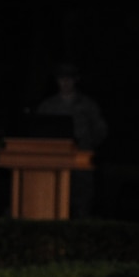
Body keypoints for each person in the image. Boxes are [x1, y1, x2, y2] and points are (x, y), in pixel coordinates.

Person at [35, 63, 107, 217]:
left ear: (76, 80)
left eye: (69, 79)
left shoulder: (87, 105)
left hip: (81, 159)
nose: (65, 83)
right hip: (55, 160)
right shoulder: (48, 106)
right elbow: (38, 131)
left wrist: (87, 146)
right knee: (55, 200)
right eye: (62, 79)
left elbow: (100, 130)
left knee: (82, 201)